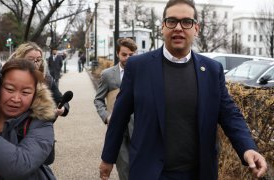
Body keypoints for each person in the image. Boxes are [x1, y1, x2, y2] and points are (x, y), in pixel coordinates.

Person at [99, 0, 267, 180]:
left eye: (186, 22)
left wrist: (247, 148)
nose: (178, 27)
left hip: (198, 173)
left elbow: (229, 114)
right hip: (150, 173)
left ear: (196, 28)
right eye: (171, 21)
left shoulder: (212, 70)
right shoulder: (138, 67)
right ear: (162, 27)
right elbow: (120, 116)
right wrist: (108, 158)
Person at [94, 38, 137, 180]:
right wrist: (106, 116)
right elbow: (98, 99)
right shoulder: (107, 75)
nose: (128, 58)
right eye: (124, 55)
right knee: (125, 171)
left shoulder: (142, 73)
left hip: (140, 129)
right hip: (120, 129)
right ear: (118, 54)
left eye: (131, 55)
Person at [9, 42, 69, 118]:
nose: (35, 62)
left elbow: (61, 99)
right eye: (30, 59)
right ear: (19, 59)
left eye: (38, 59)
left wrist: (63, 108)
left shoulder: (47, 79)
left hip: (39, 125)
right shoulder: (8, 77)